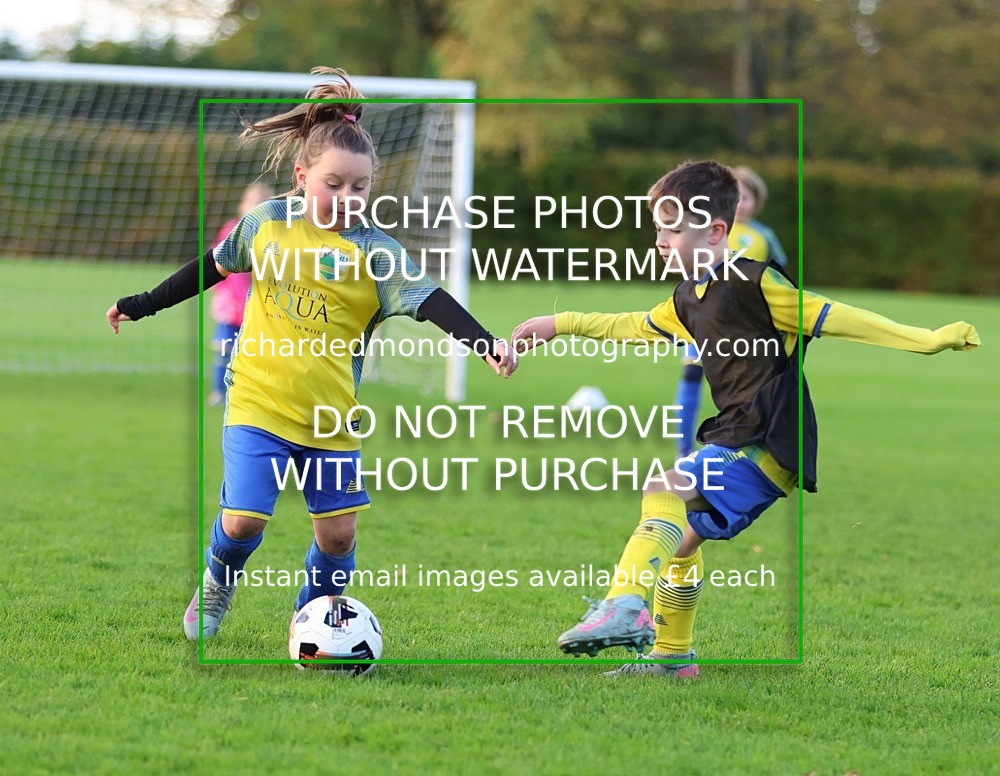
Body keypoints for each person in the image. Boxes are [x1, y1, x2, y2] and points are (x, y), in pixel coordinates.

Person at [512, 160, 978, 678]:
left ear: (715, 231)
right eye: (658, 228)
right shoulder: (689, 297)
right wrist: (562, 322)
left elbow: (837, 315)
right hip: (737, 431)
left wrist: (927, 339)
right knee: (682, 537)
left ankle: (623, 604)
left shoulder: (755, 284)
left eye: (673, 228)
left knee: (664, 487)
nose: (661, 240)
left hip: (767, 436)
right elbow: (633, 325)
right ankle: (672, 658)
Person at [106, 67, 517, 642]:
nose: (348, 197)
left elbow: (432, 302)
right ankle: (219, 581)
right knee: (245, 518)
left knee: (338, 538)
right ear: (302, 176)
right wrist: (141, 303)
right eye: (334, 184)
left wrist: (487, 343)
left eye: (360, 187)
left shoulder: (376, 251)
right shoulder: (268, 223)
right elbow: (212, 266)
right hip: (259, 403)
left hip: (330, 419)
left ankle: (314, 618)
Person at [672, 165, 787, 459]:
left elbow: (779, 278)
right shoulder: (705, 228)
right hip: (702, 317)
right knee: (691, 376)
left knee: (744, 384)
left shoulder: (763, 237)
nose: (740, 203)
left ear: (756, 201)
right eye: (734, 197)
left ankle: (741, 447)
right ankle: (683, 449)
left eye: (745, 197)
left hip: (745, 326)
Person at [208, 183, 275, 407]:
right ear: (243, 205)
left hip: (260, 307)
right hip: (232, 307)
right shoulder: (232, 230)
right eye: (252, 201)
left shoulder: (275, 235)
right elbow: (220, 268)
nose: (256, 205)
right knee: (225, 351)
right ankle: (219, 392)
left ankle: (252, 397)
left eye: (262, 201)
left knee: (257, 355)